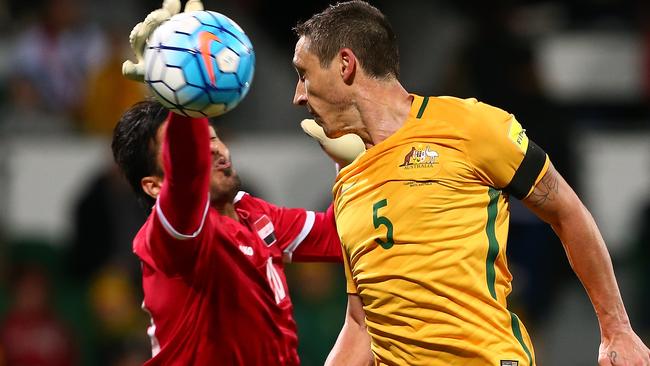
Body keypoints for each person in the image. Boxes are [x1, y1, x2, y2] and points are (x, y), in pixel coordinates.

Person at [291, 1, 650, 365]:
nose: (298, 96)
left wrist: (616, 328)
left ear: (345, 64)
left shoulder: (470, 126)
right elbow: (361, 324)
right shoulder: (348, 182)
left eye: (303, 74)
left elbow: (567, 212)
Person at [111, 99, 346, 365]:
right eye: (191, 146)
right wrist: (186, 93)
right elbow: (187, 180)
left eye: (213, 137)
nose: (212, 149)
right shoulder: (171, 237)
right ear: (155, 186)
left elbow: (337, 235)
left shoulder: (253, 214)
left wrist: (352, 164)